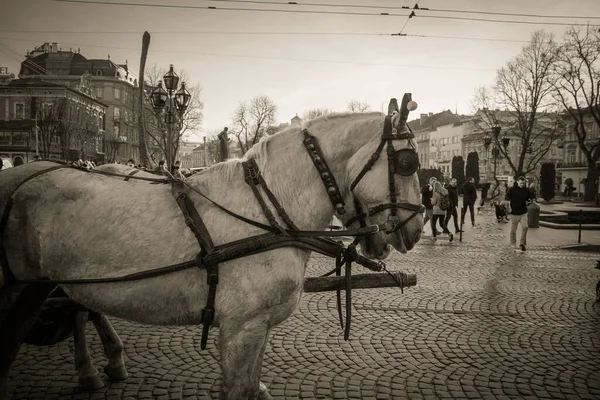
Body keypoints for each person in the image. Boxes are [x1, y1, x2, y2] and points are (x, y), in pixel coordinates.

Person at [506, 176, 534, 251]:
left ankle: (522, 244)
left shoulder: (526, 190)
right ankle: (513, 244)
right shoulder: (512, 189)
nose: (522, 184)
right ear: (518, 182)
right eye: (521, 183)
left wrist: (529, 202)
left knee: (525, 227)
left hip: (523, 213)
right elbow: (507, 198)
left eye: (523, 183)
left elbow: (531, 199)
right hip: (514, 213)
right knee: (513, 230)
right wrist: (508, 208)